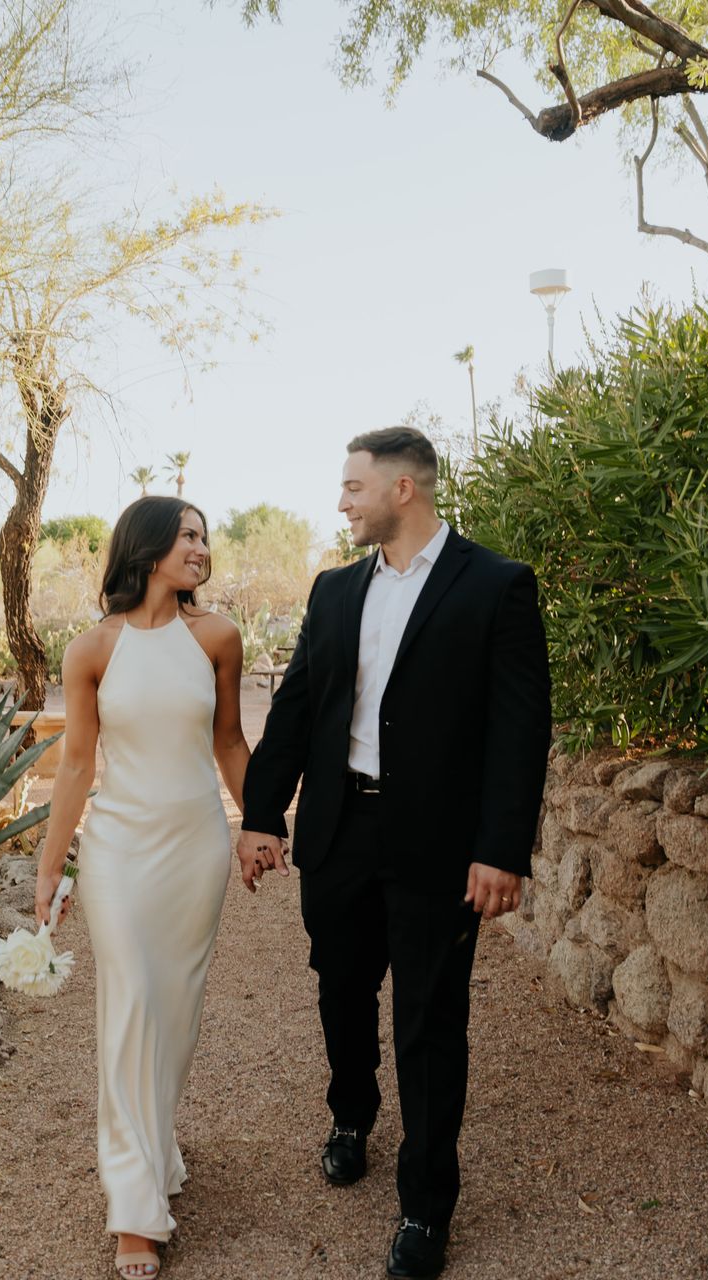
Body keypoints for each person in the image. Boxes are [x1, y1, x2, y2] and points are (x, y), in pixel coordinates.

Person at [237, 426, 552, 1279]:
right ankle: (351, 1118)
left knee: (429, 1019)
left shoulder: (496, 586)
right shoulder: (334, 592)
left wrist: (501, 850)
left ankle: (425, 1207)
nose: (341, 501)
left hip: (440, 848)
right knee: (341, 989)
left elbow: (520, 733)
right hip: (340, 832)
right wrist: (261, 815)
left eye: (352, 487)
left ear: (402, 489)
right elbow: (299, 707)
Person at [34, 495, 253, 1280]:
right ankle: (133, 1209)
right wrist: (52, 864)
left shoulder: (218, 637)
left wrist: (263, 825)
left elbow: (229, 741)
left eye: (205, 536)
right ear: (149, 547)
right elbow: (77, 764)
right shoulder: (91, 649)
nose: (201, 547)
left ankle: (154, 1148)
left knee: (173, 1014)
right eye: (188, 535)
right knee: (129, 1003)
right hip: (118, 849)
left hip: (195, 845)